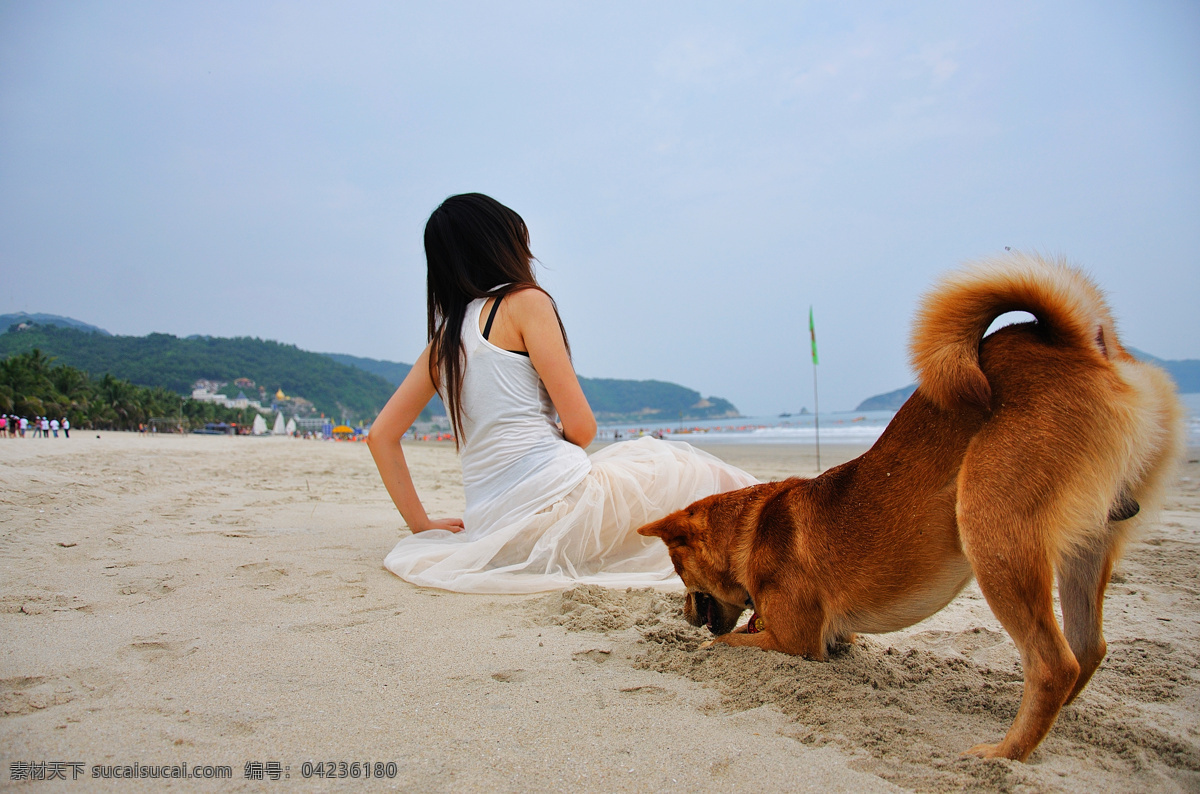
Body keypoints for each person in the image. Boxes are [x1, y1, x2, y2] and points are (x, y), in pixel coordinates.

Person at [369, 193, 756, 594]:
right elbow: (582, 428)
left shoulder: (442, 345)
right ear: (499, 245)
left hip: (493, 530)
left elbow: (380, 437)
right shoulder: (525, 302)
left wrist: (423, 526)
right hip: (559, 509)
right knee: (701, 474)